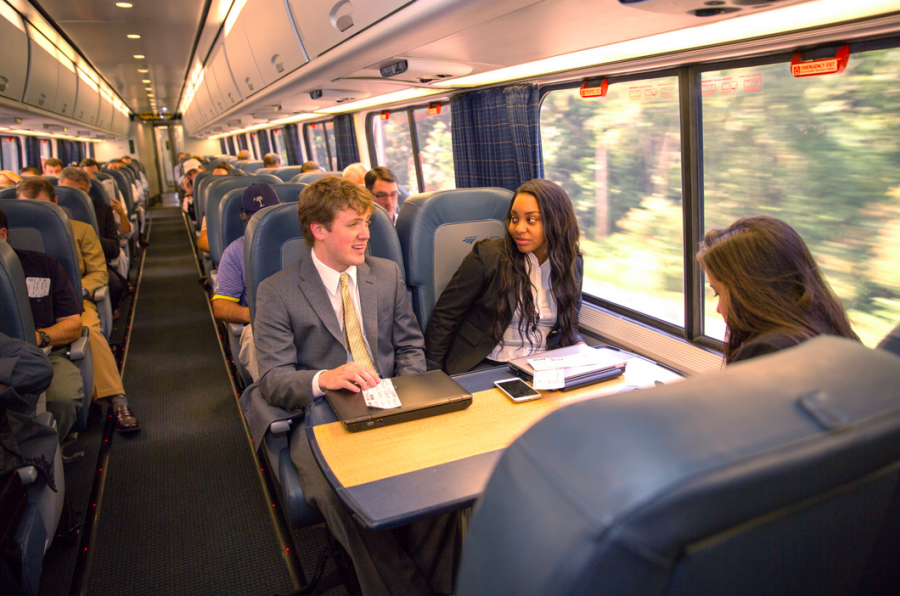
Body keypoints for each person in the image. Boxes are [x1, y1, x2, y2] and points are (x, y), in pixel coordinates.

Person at [253, 176, 458, 596]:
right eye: (352, 224)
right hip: (320, 415)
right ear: (318, 230)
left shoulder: (385, 274)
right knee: (343, 501)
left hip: (391, 399)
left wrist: (407, 394)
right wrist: (324, 378)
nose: (366, 233)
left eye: (366, 222)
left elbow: (409, 345)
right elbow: (273, 380)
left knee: (443, 479)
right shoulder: (276, 291)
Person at [16, 178, 140, 432]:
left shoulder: (80, 230)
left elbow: (99, 273)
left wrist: (74, 291)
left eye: (40, 207)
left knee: (89, 330)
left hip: (73, 300)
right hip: (27, 306)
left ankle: (116, 398)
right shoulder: (10, 243)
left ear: (55, 202)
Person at [425, 179, 585, 374]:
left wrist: (580, 346)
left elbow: (570, 322)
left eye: (531, 220)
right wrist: (433, 374)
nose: (518, 228)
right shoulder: (488, 256)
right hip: (488, 363)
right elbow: (445, 317)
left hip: (544, 365)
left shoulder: (571, 263)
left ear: (557, 221)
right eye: (514, 219)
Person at [697, 215, 860, 364]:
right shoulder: (829, 328)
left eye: (718, 293)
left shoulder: (767, 352)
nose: (718, 309)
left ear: (750, 292)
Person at [1, 207, 85, 439]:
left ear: (2, 235)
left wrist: (40, 336)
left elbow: (73, 324)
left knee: (62, 398)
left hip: (45, 355)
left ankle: (46, 451)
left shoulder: (43, 266)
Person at [211, 183, 280, 382]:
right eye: (257, 218)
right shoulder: (235, 252)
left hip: (303, 317)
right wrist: (255, 315)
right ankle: (276, 393)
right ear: (246, 218)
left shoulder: (302, 242)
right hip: (261, 323)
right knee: (253, 337)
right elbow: (221, 306)